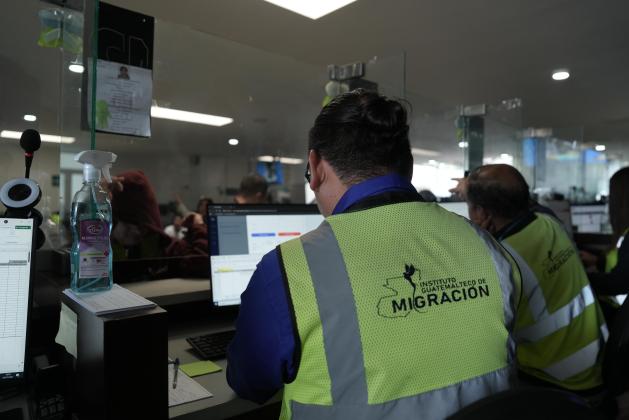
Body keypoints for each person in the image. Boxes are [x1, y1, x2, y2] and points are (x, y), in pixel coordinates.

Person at [227, 89, 522, 420]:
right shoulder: (489, 248)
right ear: (407, 167)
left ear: (315, 167)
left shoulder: (288, 269)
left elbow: (248, 384)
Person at [465, 164, 607, 392]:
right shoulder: (549, 223)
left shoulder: (500, 261)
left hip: (555, 379)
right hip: (597, 359)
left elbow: (477, 336)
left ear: (482, 213)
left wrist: (480, 239)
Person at [581, 167, 629, 320]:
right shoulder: (625, 232)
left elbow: (620, 282)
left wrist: (580, 278)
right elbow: (622, 264)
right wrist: (597, 260)